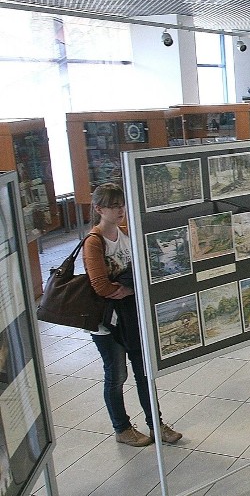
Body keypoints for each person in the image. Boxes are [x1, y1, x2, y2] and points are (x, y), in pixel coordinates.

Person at [83, 183, 182, 447]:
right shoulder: (94, 242)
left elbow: (147, 270)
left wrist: (126, 288)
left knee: (143, 371)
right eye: (113, 206)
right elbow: (102, 287)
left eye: (121, 205)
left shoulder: (127, 234)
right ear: (98, 209)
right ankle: (122, 427)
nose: (119, 210)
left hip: (132, 317)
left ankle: (156, 424)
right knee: (116, 375)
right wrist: (130, 286)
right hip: (106, 322)